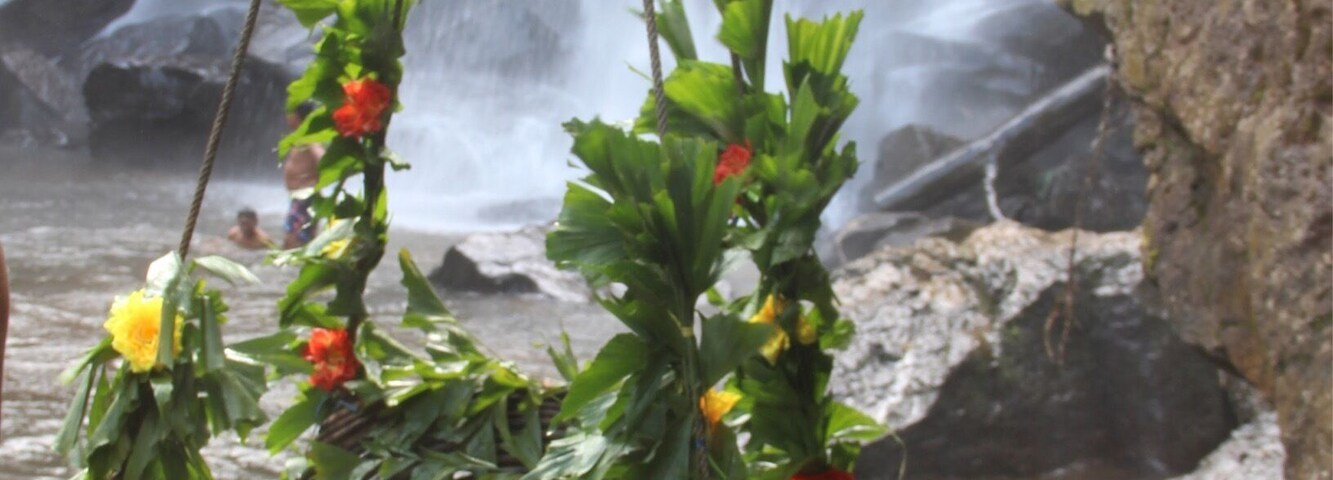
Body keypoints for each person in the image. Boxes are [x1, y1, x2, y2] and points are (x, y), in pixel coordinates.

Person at [283, 101, 324, 248]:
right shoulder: (300, 137)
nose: (287, 117)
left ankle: (293, 270)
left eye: (290, 113)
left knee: (293, 240)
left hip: (305, 197)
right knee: (300, 239)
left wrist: (312, 183)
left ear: (297, 116)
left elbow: (322, 158)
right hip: (301, 197)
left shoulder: (309, 138)